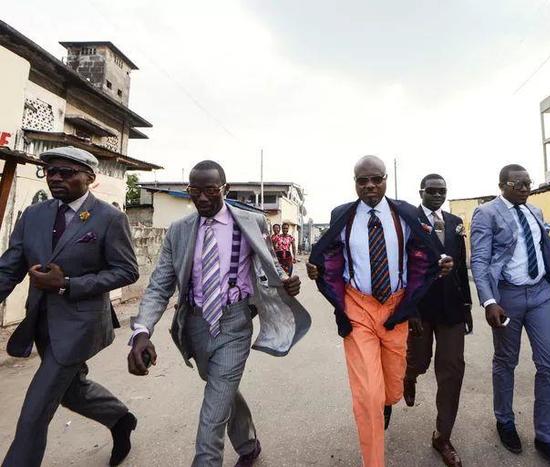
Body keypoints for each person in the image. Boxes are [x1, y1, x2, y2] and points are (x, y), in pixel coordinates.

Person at [128, 160, 310, 467]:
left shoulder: (252, 222)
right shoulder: (179, 231)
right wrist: (141, 330)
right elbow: (160, 285)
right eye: (194, 190)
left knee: (212, 413)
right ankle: (248, 444)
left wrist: (286, 281)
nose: (201, 198)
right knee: (220, 388)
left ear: (225, 189)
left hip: (235, 323)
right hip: (195, 325)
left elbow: (269, 265)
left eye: (210, 190)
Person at [306, 155, 453, 467]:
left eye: (377, 179)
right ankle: (373, 458)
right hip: (357, 307)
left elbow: (426, 250)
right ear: (355, 183)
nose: (370, 186)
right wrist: (318, 269)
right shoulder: (343, 215)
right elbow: (329, 254)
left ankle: (387, 400)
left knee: (392, 387)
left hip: (395, 309)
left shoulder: (405, 213)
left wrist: (440, 263)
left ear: (386, 179)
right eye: (363, 181)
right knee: (367, 396)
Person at [1, 146, 140, 467]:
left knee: (35, 411)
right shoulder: (33, 215)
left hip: (80, 326)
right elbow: (9, 268)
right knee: (70, 390)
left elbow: (126, 271)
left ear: (90, 177)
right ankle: (120, 419)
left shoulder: (109, 218)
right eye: (50, 171)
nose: (56, 178)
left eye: (66, 172)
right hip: (40, 322)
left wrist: (68, 284)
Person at [469, 164, 550, 467]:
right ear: (502, 185)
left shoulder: (534, 212)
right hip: (507, 297)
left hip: (540, 294)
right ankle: (505, 421)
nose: (526, 189)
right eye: (519, 184)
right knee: (505, 361)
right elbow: (480, 260)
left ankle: (546, 437)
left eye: (528, 183)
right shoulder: (486, 213)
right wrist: (489, 301)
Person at [403, 173, 472, 467]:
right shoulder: (409, 220)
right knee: (419, 361)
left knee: (452, 369)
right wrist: (409, 310)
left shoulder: (455, 222)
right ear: (421, 192)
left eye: (442, 191)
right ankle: (409, 376)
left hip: (452, 308)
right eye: (431, 190)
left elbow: (461, 267)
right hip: (421, 307)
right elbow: (402, 268)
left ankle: (442, 436)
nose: (437, 195)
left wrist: (467, 305)